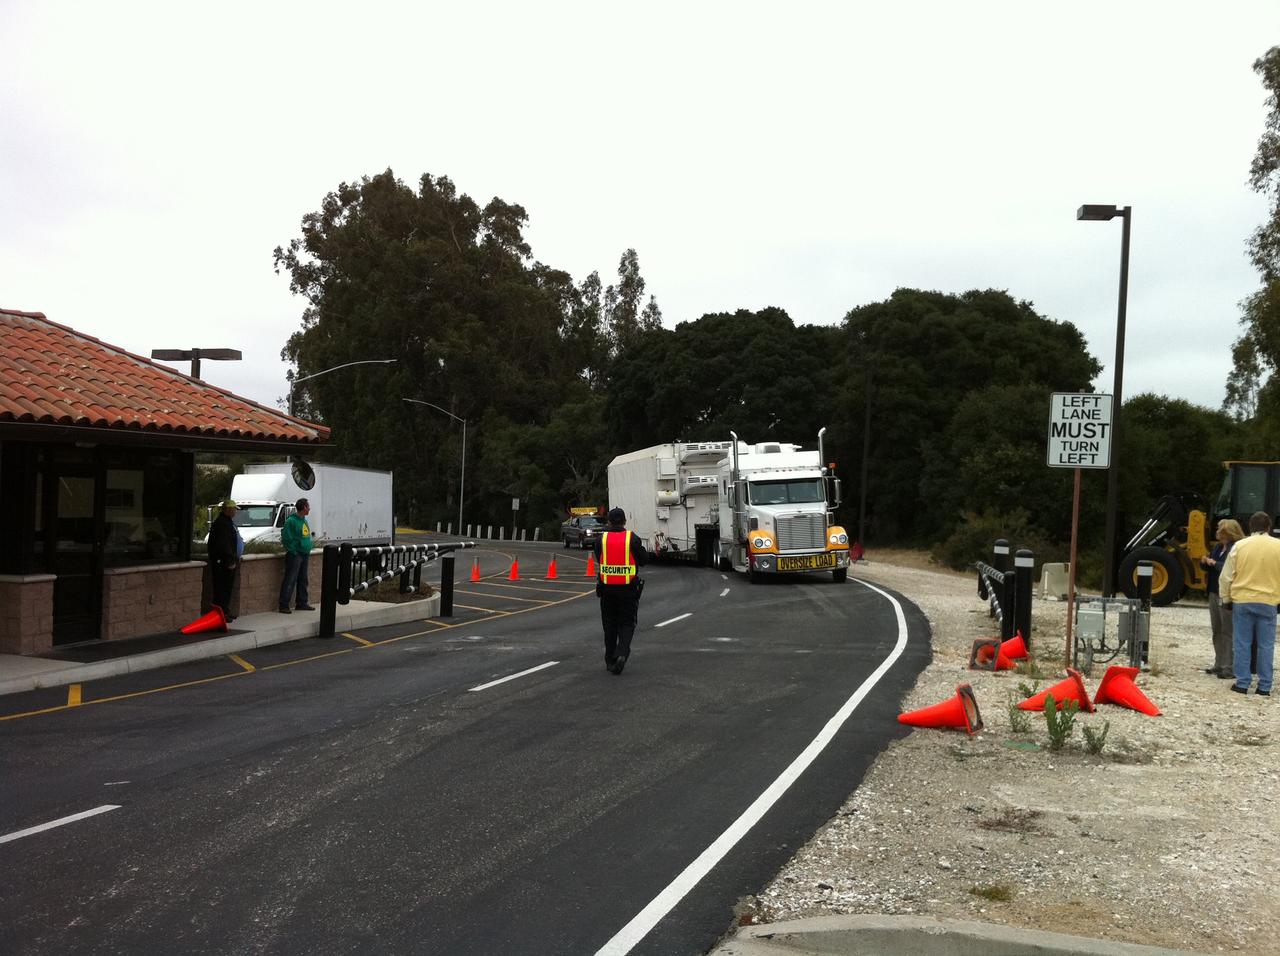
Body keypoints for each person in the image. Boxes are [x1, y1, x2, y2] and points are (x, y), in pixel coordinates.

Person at [1218, 511, 1280, 696]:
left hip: (1243, 600)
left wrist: (1225, 599)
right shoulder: (1278, 546)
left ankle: (1243, 683)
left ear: (1250, 527)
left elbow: (1226, 577)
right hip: (1269, 600)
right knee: (1266, 645)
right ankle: (1264, 686)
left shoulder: (1239, 546)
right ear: (1268, 527)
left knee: (1242, 643)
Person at [592, 507, 647, 675]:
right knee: (627, 623)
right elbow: (644, 560)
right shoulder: (632, 539)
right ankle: (622, 652)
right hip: (628, 590)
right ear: (624, 521)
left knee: (609, 625)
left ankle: (610, 660)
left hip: (607, 590)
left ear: (609, 521)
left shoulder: (601, 539)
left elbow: (598, 557)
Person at [1201, 518, 1244, 678]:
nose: (1216, 531)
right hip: (1213, 591)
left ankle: (1229, 667)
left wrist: (1214, 564)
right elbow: (1210, 567)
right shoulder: (1218, 547)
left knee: (1228, 631)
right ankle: (1218, 663)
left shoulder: (1235, 548)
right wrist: (1205, 562)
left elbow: (1231, 569)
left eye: (1219, 529)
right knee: (1216, 629)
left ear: (1227, 532)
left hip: (1226, 593)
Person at [279, 497, 315, 613]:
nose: (309, 509)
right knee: (290, 579)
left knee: (303, 579)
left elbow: (305, 536)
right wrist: (293, 551)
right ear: (304, 507)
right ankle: (284, 605)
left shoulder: (304, 520)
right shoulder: (291, 521)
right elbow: (286, 538)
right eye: (308, 506)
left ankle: (302, 602)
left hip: (304, 554)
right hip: (295, 554)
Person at [207, 499, 241, 621]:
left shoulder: (226, 522)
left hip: (224, 560)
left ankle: (225, 610)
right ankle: (221, 613)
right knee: (221, 588)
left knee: (226, 588)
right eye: (233, 510)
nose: (235, 512)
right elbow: (224, 545)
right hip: (222, 562)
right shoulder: (222, 524)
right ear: (227, 510)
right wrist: (229, 561)